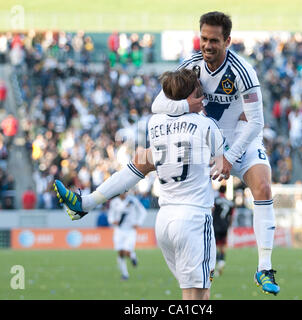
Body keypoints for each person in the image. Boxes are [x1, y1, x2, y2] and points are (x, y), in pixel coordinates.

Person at [54, 11, 279, 296]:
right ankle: (85, 203)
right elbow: (158, 103)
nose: (207, 46)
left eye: (214, 41)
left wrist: (230, 157)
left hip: (238, 142)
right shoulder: (191, 65)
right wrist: (187, 109)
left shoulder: (243, 72)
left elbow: (256, 122)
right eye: (204, 39)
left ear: (228, 41)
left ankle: (264, 267)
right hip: (202, 134)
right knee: (143, 159)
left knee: (263, 186)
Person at [148, 68, 226, 300]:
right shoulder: (205, 125)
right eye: (199, 93)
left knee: (199, 292)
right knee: (195, 295)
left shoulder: (154, 123)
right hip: (193, 216)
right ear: (192, 95)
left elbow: (158, 104)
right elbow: (225, 158)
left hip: (164, 218)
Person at [107, 191, 147, 280]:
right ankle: (125, 274)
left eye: (125, 191)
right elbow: (110, 215)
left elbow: (143, 212)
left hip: (130, 230)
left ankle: (132, 256)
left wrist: (138, 223)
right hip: (119, 230)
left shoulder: (133, 201)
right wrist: (112, 221)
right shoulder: (114, 202)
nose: (124, 193)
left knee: (127, 251)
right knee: (120, 252)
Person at [212, 185, 235, 275]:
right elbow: (232, 217)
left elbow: (212, 211)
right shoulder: (230, 203)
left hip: (215, 225)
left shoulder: (216, 200)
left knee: (214, 246)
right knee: (222, 246)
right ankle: (222, 261)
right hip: (225, 226)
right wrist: (229, 226)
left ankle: (215, 265)